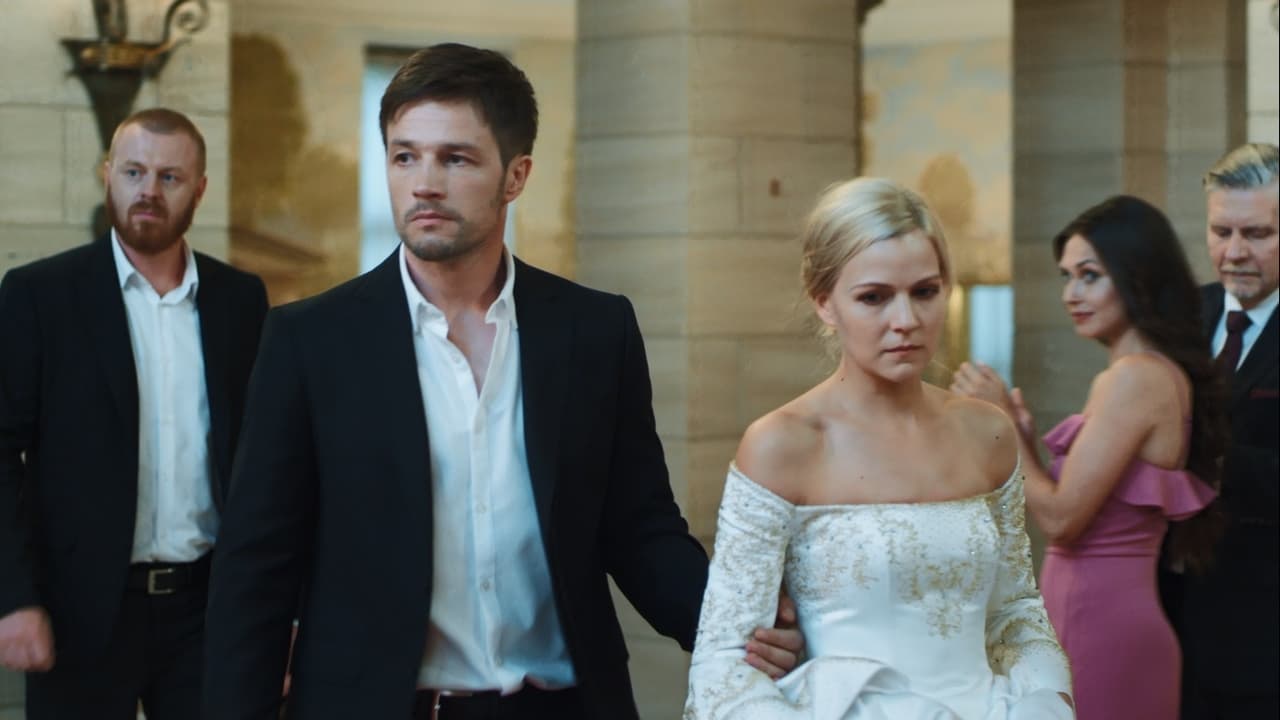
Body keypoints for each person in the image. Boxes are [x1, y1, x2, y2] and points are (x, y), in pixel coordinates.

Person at [201, 43, 800, 720]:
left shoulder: (594, 331)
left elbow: (638, 529)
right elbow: (256, 570)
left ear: (516, 176)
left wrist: (740, 626)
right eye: (405, 157)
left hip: (561, 707)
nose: (424, 184)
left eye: (455, 159)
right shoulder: (310, 341)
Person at [685, 177, 1073, 719]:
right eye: (874, 297)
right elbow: (724, 663)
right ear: (824, 301)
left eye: (925, 292)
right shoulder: (781, 444)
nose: (905, 321)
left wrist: (1046, 701)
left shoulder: (987, 432)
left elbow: (1016, 614)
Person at [0, 108, 268, 719]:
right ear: (107, 175)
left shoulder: (241, 301)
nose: (149, 190)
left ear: (199, 189)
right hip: (78, 610)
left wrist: (280, 611)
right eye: (133, 172)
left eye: (170, 177)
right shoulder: (39, 296)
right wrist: (13, 597)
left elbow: (267, 463)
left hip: (207, 611)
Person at [951, 195, 1228, 719]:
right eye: (1066, 276)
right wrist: (1026, 441)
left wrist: (1003, 426)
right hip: (1103, 615)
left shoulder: (1135, 377)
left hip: (1099, 622)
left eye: (1089, 276)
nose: (1070, 294)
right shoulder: (1149, 373)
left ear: (1137, 277)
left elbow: (1062, 520)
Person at [1163, 142, 1279, 720]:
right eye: (1220, 232)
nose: (1234, 252)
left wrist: (1201, 457)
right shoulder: (1182, 315)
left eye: (1256, 234)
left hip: (1264, 637)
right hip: (1170, 619)